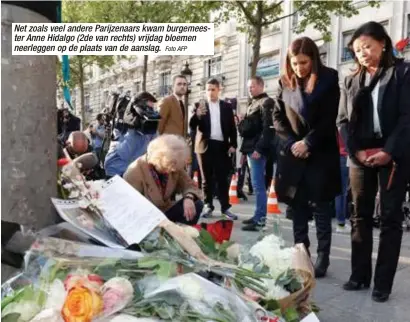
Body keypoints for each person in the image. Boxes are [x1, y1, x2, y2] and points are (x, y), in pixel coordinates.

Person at [337, 21, 410, 302]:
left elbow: (407, 117)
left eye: (367, 46)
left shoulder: (402, 73)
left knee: (390, 218)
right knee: (359, 215)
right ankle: (359, 275)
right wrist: (355, 152)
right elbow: (342, 120)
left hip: (394, 153)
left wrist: (389, 151)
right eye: (357, 49)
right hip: (361, 154)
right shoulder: (351, 79)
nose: (363, 53)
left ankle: (382, 283)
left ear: (383, 43)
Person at [272, 37, 341, 278]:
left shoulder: (329, 78)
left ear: (313, 59)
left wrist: (308, 142)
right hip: (294, 154)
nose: (300, 68)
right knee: (298, 208)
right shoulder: (283, 82)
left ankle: (323, 257)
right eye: (295, 62)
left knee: (322, 207)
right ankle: (302, 254)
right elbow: (277, 118)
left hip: (319, 151)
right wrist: (292, 143)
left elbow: (329, 119)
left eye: (304, 62)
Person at [123, 135, 203, 225]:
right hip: (145, 218)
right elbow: (129, 206)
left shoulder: (175, 164)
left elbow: (189, 185)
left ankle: (183, 233)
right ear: (161, 159)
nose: (173, 170)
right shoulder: (135, 171)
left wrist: (189, 197)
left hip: (165, 211)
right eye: (172, 165)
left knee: (197, 204)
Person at [189, 78, 238, 220]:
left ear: (219, 90)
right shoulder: (199, 105)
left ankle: (225, 208)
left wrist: (233, 144)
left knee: (222, 178)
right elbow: (192, 126)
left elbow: (232, 127)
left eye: (213, 89)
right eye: (208, 89)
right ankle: (208, 206)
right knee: (206, 179)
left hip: (221, 146)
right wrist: (197, 115)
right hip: (204, 146)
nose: (210, 92)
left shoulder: (227, 107)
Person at [239, 76, 274, 231]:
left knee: (259, 186)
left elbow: (268, 128)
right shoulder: (253, 103)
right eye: (248, 87)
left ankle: (260, 220)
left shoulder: (267, 102)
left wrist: (259, 149)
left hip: (256, 151)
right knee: (256, 185)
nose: (250, 89)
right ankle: (257, 216)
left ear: (261, 85)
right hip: (250, 149)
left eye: (252, 86)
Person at [104, 92, 158, 178]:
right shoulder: (125, 126)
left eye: (152, 109)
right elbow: (124, 153)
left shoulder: (151, 128)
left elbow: (156, 148)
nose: (151, 112)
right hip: (116, 170)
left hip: (135, 172)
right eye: (148, 108)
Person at [335, 130, 350, 233]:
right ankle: (340, 223)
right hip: (342, 155)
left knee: (325, 189)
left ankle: (317, 219)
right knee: (340, 192)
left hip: (329, 155)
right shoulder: (345, 122)